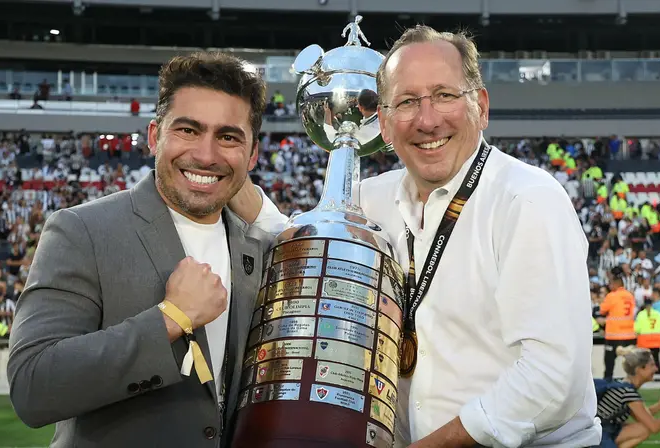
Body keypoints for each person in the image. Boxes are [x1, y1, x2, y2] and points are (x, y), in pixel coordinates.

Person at [232, 25, 601, 447]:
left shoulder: (526, 200)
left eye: (445, 95)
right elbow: (301, 238)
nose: (427, 121)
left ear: (480, 106)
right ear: (384, 126)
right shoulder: (369, 199)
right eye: (406, 102)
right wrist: (222, 174)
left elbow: (553, 375)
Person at [7, 52, 274, 447]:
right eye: (187, 130)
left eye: (228, 136)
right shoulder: (82, 230)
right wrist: (171, 318)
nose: (206, 154)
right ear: (154, 137)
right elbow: (33, 386)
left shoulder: (262, 248)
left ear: (251, 154)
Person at [595, 346, 660, 448]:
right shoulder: (628, 393)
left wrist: (659, 407)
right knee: (646, 428)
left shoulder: (623, 386)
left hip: (599, 430)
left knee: (643, 429)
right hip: (598, 435)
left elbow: (640, 416)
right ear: (639, 369)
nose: (656, 369)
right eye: (652, 365)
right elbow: (654, 427)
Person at [600, 269, 637, 381]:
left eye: (611, 283)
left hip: (614, 335)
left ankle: (607, 383)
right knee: (631, 363)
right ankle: (633, 382)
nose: (609, 286)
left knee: (609, 363)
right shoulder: (630, 296)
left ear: (616, 284)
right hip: (629, 334)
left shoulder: (612, 296)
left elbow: (602, 310)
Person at [633, 299, 660, 374]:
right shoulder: (657, 314)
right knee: (656, 359)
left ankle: (645, 376)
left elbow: (637, 329)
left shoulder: (641, 314)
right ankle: (658, 377)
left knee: (644, 361)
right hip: (656, 341)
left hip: (644, 341)